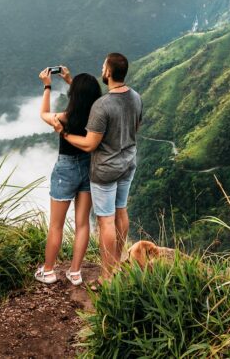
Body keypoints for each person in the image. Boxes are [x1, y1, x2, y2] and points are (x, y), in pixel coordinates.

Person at [61, 53, 142, 274]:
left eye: (103, 66)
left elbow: (88, 144)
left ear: (108, 72)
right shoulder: (135, 96)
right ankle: (115, 263)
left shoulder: (102, 105)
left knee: (106, 221)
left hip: (105, 170)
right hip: (128, 164)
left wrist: (64, 133)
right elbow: (136, 126)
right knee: (121, 211)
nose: (101, 69)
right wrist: (71, 82)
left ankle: (107, 277)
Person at [34, 66, 101, 286]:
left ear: (74, 96)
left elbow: (43, 114)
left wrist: (47, 86)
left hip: (65, 170)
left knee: (56, 225)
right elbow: (85, 98)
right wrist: (71, 80)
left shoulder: (64, 118)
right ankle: (75, 272)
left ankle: (49, 270)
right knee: (83, 224)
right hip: (88, 168)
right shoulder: (97, 118)